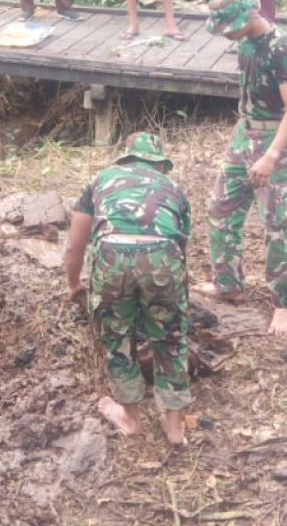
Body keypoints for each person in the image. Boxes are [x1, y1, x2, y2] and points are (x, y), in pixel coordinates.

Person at [65, 132, 192, 446]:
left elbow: (75, 245)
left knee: (117, 337)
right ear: (159, 163)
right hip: (162, 260)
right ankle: (175, 428)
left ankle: (130, 418)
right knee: (171, 340)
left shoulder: (101, 180)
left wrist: (73, 282)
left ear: (126, 158)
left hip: (111, 260)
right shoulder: (174, 188)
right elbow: (180, 241)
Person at [197, 0, 287, 338]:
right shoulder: (244, 44)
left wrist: (271, 156)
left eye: (229, 27)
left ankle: (282, 303)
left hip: (274, 144)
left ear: (247, 19)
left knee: (277, 226)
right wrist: (242, 135)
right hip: (244, 135)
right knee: (221, 211)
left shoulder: (281, 47)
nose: (226, 33)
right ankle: (228, 283)